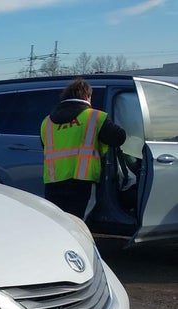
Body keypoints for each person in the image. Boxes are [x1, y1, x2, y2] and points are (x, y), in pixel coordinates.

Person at [40, 77, 126, 219]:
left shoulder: (46, 122)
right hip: (82, 180)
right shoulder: (94, 117)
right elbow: (119, 137)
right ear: (87, 96)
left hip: (53, 181)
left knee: (57, 222)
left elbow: (46, 147)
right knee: (78, 223)